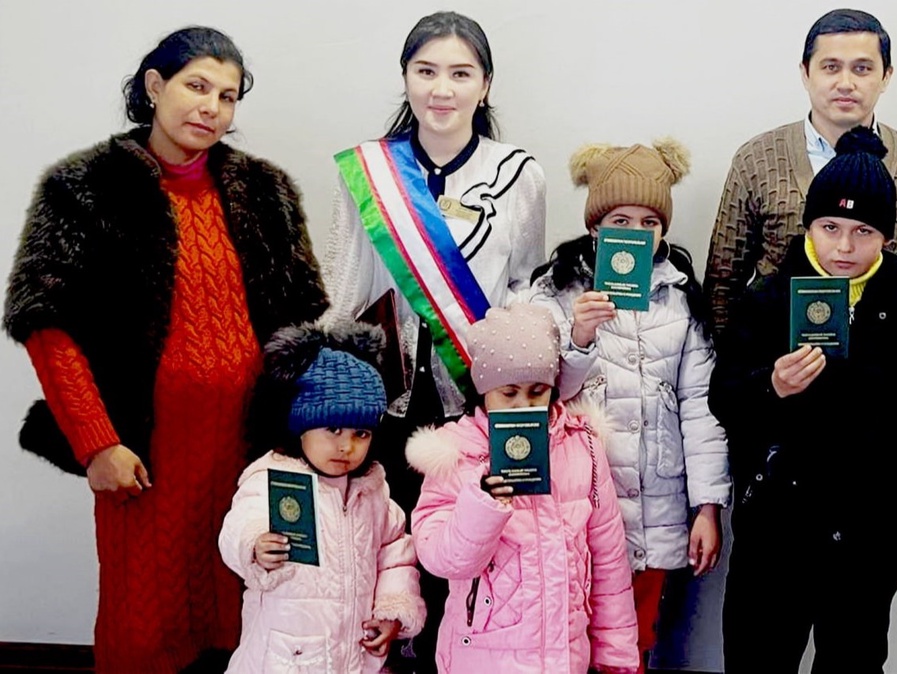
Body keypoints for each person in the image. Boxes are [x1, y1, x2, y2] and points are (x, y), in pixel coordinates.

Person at [2, 27, 328, 673]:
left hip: (248, 457)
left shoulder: (265, 191)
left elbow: (299, 327)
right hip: (142, 459)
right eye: (196, 86)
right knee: (144, 629)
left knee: (247, 622)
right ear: (154, 86)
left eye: (227, 96)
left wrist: (299, 442)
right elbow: (47, 326)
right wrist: (96, 443)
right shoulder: (85, 187)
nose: (211, 107)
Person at [321, 10, 546, 670]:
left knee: (466, 560)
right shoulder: (367, 171)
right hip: (384, 406)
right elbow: (342, 288)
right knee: (383, 559)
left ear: (486, 84)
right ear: (405, 77)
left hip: (473, 405)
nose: (441, 89)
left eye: (460, 73)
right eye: (426, 71)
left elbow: (525, 291)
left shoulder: (520, 174)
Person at [708, 127, 897, 673]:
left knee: (853, 663)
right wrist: (771, 386)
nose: (845, 247)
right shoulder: (767, 301)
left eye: (863, 231)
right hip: (776, 535)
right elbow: (722, 399)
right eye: (830, 227)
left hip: (871, 538)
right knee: (757, 661)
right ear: (808, 225)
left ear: (887, 237)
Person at [528, 140, 731, 668]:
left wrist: (707, 508)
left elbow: (701, 407)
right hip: (575, 507)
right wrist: (578, 338)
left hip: (655, 513)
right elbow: (533, 397)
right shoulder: (553, 293)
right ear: (595, 226)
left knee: (632, 647)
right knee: (566, 641)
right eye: (620, 220)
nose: (636, 233)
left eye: (649, 222)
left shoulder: (680, 297)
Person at [406, 303, 639, 673]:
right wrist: (482, 504)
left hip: (566, 656)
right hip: (483, 658)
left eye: (537, 391)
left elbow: (609, 560)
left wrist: (616, 653)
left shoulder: (582, 446)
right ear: (484, 391)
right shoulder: (456, 454)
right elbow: (440, 558)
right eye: (509, 392)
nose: (523, 405)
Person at [704, 8, 897, 337]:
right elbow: (722, 286)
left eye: (862, 68)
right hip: (779, 359)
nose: (846, 83)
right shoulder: (755, 160)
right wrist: (747, 365)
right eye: (831, 67)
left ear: (886, 76)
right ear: (806, 73)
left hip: (889, 361)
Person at [219, 322, 426, 673]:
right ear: (302, 426)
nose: (346, 446)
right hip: (284, 658)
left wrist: (393, 610)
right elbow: (239, 525)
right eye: (333, 429)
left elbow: (395, 555)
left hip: (354, 655)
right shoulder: (273, 477)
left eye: (361, 433)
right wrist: (255, 544)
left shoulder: (372, 490)